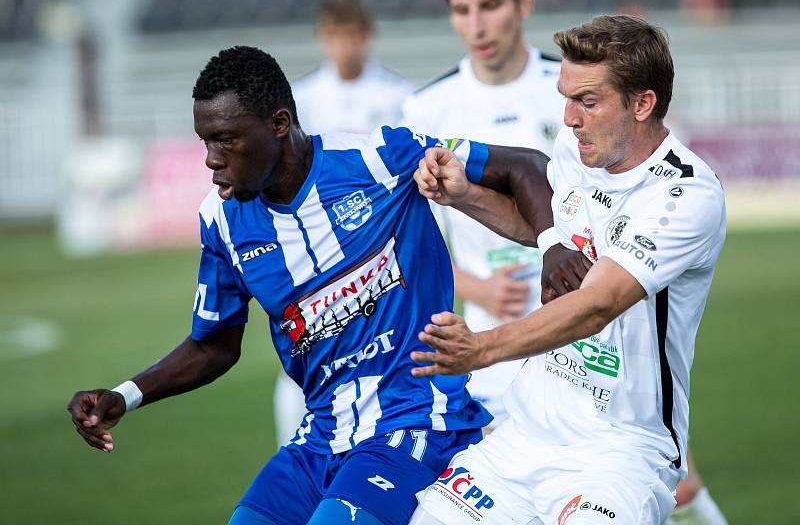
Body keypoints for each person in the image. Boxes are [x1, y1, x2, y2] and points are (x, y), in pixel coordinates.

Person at [66, 45, 574, 525]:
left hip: (415, 419)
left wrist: (553, 245)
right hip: (319, 439)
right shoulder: (222, 222)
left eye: (226, 140)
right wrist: (124, 395)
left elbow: (522, 164)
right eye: (205, 142)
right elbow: (214, 345)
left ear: (279, 124)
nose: (211, 160)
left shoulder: (379, 158)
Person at [409, 15, 727, 525]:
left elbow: (596, 304)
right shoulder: (577, 151)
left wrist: (483, 348)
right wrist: (465, 196)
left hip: (618, 453)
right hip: (522, 437)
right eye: (565, 98)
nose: (569, 118)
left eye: (587, 102)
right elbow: (547, 231)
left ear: (642, 103)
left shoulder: (686, 195)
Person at [401, 0, 564, 427]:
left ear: (523, 4)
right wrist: (476, 287)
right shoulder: (426, 110)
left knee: (667, 488)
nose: (476, 25)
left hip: (581, 335)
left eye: (490, 5)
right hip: (485, 343)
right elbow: (408, 239)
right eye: (462, 9)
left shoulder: (567, 91)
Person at [273, 0, 414, 446]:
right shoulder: (302, 99)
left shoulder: (398, 96)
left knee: (380, 350)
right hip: (317, 251)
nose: (343, 47)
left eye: (351, 36)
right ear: (322, 38)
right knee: (309, 353)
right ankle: (299, 461)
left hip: (381, 247)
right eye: (334, 37)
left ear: (367, 36)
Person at [291, 0, 413, 136]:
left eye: (352, 33)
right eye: (334, 33)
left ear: (369, 34)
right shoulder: (299, 98)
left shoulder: (400, 94)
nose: (344, 43)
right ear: (320, 35)